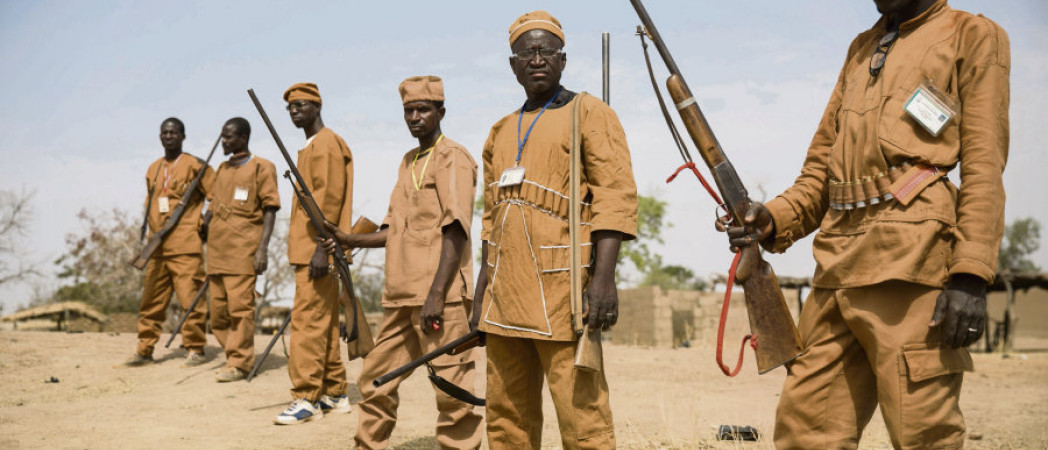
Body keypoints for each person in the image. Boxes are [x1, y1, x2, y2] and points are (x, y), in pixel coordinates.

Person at [718, 0, 1009, 447]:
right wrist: (771, 218)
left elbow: (984, 165)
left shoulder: (970, 35)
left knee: (923, 431)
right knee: (805, 428)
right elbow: (819, 175)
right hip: (836, 266)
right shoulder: (861, 48)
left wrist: (970, 273)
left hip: (913, 261)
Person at [472, 11, 638, 449]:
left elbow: (614, 199)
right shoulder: (500, 131)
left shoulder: (590, 113)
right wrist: (481, 296)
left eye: (548, 51)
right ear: (513, 65)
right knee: (507, 418)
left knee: (582, 417)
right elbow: (490, 220)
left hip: (564, 292)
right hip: (505, 297)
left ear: (563, 60)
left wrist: (603, 280)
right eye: (527, 52)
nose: (538, 59)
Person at [321, 75, 483, 449]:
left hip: (437, 299)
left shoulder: (453, 157)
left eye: (423, 109)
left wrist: (436, 296)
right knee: (376, 380)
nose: (414, 117)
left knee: (452, 389)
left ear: (441, 112)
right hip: (400, 297)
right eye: (408, 111)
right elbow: (394, 229)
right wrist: (347, 239)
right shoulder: (408, 161)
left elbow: (456, 228)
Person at [274, 83, 355, 425]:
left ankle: (306, 397)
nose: (295, 111)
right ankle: (334, 393)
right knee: (321, 324)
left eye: (301, 105)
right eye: (291, 107)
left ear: (317, 107)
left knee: (307, 324)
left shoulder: (324, 144)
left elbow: (329, 199)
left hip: (317, 250)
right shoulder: (313, 146)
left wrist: (323, 249)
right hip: (310, 249)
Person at [123, 117, 215, 368]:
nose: (169, 136)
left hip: (185, 245)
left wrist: (205, 221)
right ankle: (144, 349)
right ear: (160, 136)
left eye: (174, 132)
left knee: (190, 301)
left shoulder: (197, 165)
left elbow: (217, 196)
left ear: (183, 136)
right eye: (165, 132)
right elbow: (150, 205)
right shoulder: (153, 168)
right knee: (151, 301)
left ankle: (195, 347)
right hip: (158, 247)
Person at [201, 117, 280, 382]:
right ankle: (233, 355)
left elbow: (270, 209)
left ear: (242, 138)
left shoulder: (262, 167)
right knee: (218, 316)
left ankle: (239, 363)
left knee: (240, 310)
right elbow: (213, 205)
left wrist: (263, 249)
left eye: (228, 137)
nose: (223, 142)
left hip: (243, 252)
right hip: (216, 253)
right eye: (222, 137)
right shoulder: (221, 169)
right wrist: (204, 222)